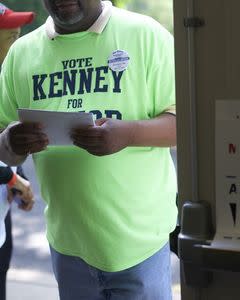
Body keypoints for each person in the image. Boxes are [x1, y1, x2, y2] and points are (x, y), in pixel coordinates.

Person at [0, 1, 177, 299]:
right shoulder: (21, 54)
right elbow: (4, 146)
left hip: (140, 249)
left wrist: (128, 133)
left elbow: (186, 124)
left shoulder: (146, 35)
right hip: (69, 249)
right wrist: (11, 143)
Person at [0, 4, 36, 300]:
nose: (17, 35)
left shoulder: (5, 78)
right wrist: (12, 180)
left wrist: (17, 172)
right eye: (8, 33)